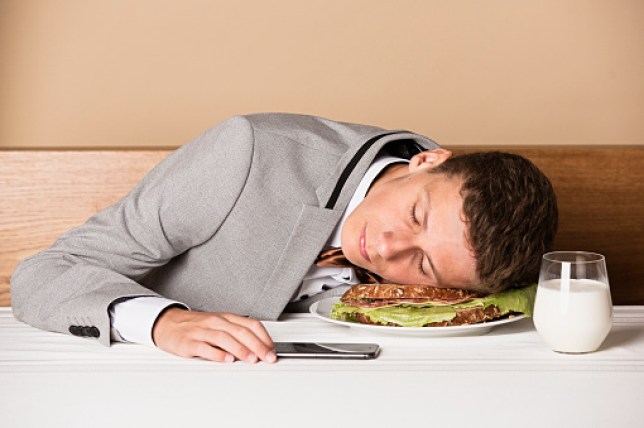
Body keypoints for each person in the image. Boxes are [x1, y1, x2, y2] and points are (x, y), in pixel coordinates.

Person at [10, 113, 558, 364]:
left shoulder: (469, 258)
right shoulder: (246, 154)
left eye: (426, 267)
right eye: (414, 216)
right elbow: (45, 272)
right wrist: (162, 321)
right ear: (426, 160)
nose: (389, 250)